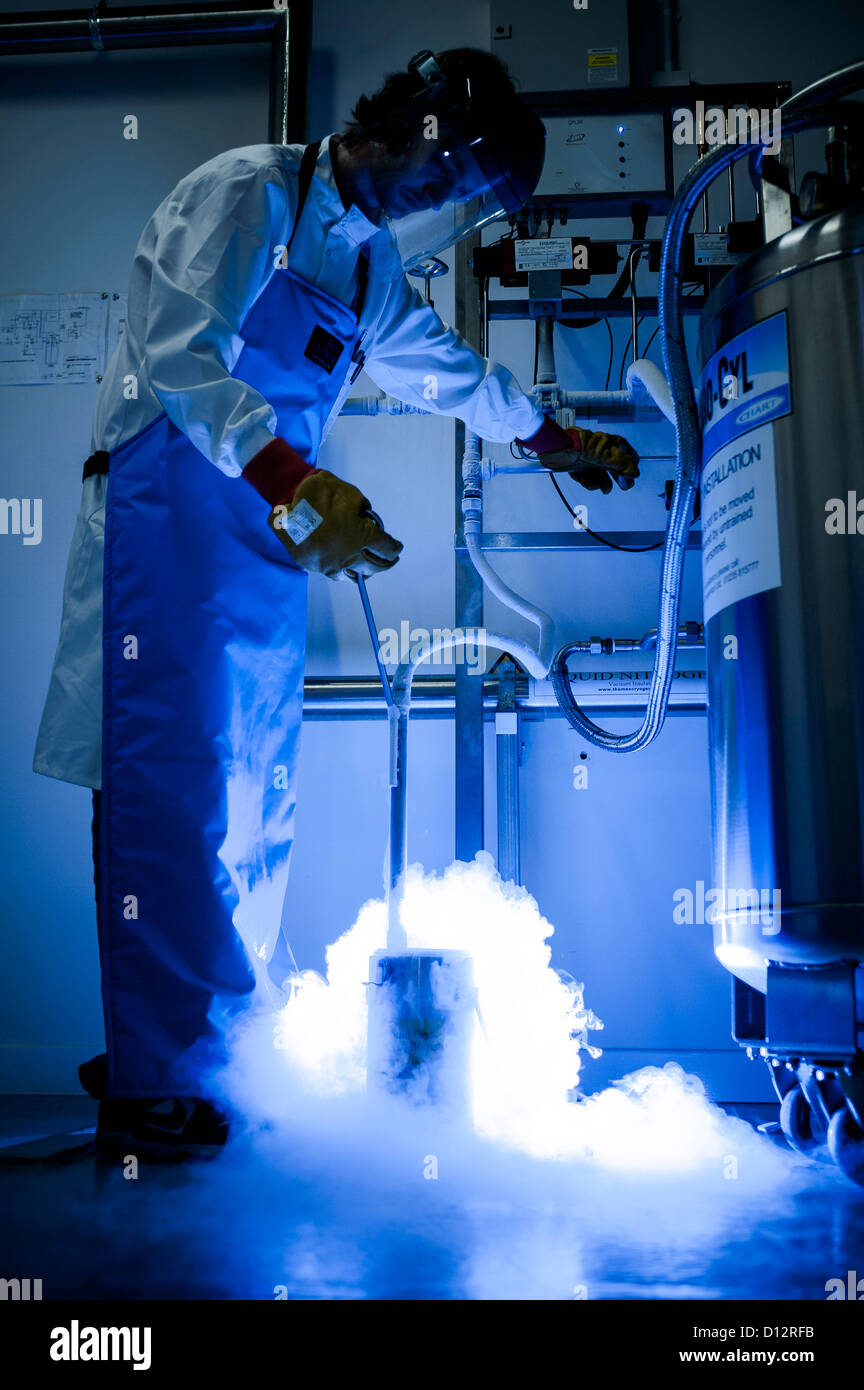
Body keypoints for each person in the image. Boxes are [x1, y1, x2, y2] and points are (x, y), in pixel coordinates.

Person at [33, 47, 640, 1158]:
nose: (435, 198)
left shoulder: (365, 272)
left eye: (456, 196)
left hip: (261, 541)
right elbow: (181, 358)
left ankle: (218, 1057)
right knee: (171, 788)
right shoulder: (247, 193)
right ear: (408, 118)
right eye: (442, 172)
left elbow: (441, 369)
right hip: (170, 517)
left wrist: (551, 436)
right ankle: (151, 1077)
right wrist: (298, 483)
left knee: (255, 798)